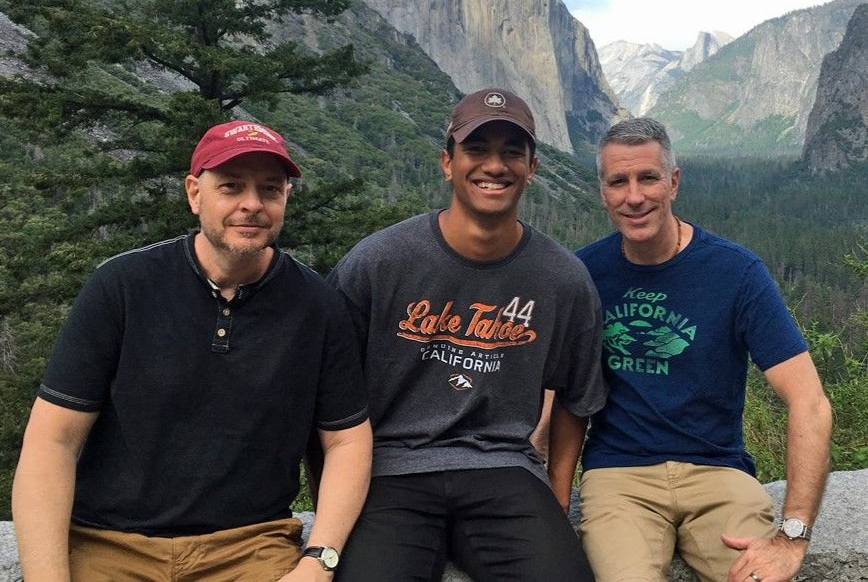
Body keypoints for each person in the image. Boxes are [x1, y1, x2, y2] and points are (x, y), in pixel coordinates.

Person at [12, 120, 373, 581]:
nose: (252, 204)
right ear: (194, 193)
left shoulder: (317, 305)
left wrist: (319, 560)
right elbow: (52, 441)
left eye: (270, 189)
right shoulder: (124, 287)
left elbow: (346, 441)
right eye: (230, 187)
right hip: (109, 542)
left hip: (250, 545)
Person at [326, 88, 606, 581]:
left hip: (505, 470)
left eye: (511, 152)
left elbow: (575, 400)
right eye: (477, 150)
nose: (494, 165)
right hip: (389, 472)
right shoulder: (376, 264)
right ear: (447, 163)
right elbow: (327, 398)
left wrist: (556, 499)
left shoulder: (562, 280)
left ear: (532, 168)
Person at [575, 117, 832, 582]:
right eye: (619, 181)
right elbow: (558, 395)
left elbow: (809, 401)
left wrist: (792, 536)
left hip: (719, 475)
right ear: (603, 192)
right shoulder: (584, 274)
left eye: (648, 177)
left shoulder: (735, 273)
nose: (634, 197)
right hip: (619, 478)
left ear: (673, 181)